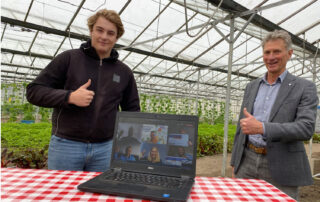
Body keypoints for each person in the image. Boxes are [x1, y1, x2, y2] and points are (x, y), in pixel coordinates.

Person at [26, 9, 140, 172]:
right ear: (91, 30)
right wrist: (69, 97)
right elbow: (34, 91)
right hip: (66, 146)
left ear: (117, 37)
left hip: (105, 148)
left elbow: (133, 110)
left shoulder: (124, 72)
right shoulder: (69, 59)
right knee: (63, 194)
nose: (104, 37)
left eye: (110, 33)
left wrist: (131, 144)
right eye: (99, 30)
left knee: (99, 196)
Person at [230, 30, 318, 200]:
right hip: (247, 160)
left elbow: (306, 128)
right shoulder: (252, 86)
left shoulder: (304, 87)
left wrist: (262, 128)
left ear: (289, 54)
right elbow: (241, 128)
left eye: (277, 51)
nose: (271, 57)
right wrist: (235, 162)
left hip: (282, 165)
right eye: (267, 52)